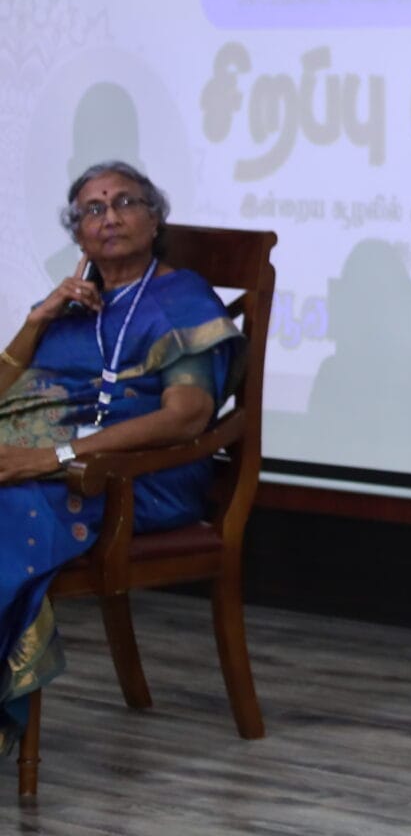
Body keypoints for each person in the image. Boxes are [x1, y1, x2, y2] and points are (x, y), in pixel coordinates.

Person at [0, 161, 243, 756]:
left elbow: (187, 417)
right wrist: (37, 320)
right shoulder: (73, 306)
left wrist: (53, 456)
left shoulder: (181, 300)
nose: (109, 217)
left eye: (125, 202)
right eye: (93, 209)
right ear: (78, 235)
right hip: (54, 467)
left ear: (155, 220)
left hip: (139, 478)